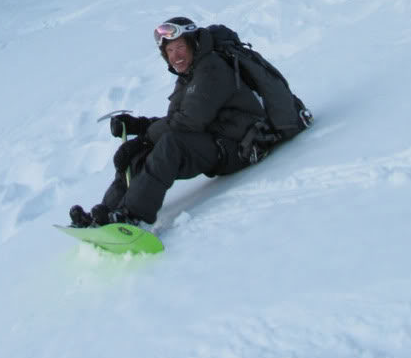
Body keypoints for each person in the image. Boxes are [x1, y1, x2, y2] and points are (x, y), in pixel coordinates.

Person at [69, 16, 289, 228]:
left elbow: (188, 123)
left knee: (169, 145)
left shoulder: (211, 69)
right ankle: (108, 213)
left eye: (180, 47)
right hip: (217, 142)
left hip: (239, 147)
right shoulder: (189, 76)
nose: (176, 56)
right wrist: (138, 126)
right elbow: (176, 120)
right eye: (170, 51)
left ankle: (132, 216)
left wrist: (145, 137)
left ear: (193, 44)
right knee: (139, 156)